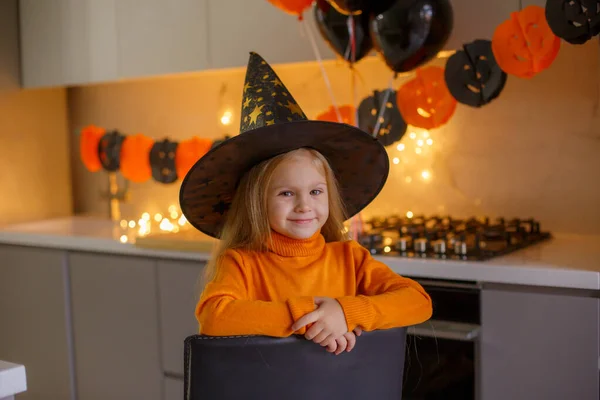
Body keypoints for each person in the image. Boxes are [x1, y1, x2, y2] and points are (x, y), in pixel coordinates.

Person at [179, 52, 432, 356]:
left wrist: (345, 311)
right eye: (286, 193)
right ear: (256, 202)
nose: (304, 206)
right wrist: (309, 315)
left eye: (315, 192)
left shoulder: (350, 258)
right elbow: (213, 318)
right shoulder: (241, 264)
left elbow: (418, 301)